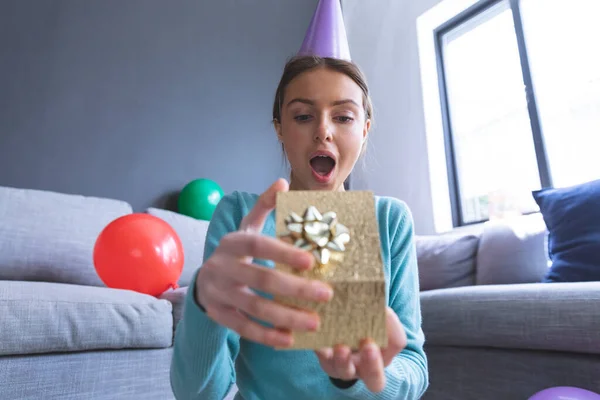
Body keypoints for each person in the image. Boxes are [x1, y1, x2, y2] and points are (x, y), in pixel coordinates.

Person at [170, 55, 429, 400]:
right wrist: (203, 299)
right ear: (279, 127)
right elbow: (198, 395)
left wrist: (355, 376)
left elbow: (414, 369)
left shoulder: (389, 220)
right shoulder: (242, 215)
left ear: (365, 129)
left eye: (344, 117)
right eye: (304, 116)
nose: (323, 130)